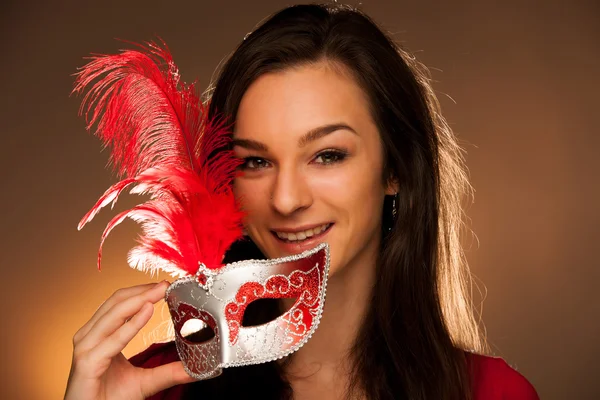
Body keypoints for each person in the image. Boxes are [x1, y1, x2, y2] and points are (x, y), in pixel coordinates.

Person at [64, 3, 540, 399]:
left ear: (394, 170)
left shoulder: (493, 393)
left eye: (327, 155)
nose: (287, 200)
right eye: (254, 162)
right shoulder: (153, 387)